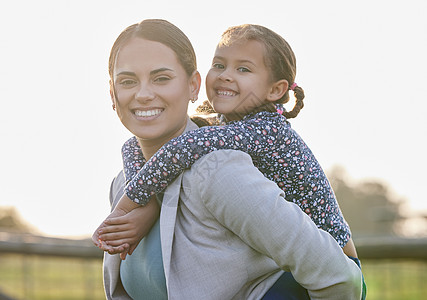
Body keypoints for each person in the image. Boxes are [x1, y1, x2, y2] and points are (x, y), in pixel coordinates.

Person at [94, 19, 363, 299]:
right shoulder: (123, 181)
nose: (144, 94)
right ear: (112, 94)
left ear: (193, 86)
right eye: (127, 81)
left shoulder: (218, 169)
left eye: (161, 78)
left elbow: (339, 278)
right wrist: (143, 203)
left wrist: (129, 206)